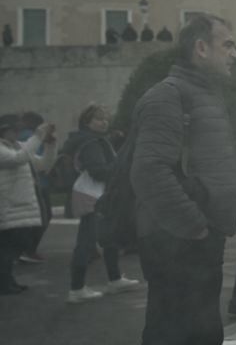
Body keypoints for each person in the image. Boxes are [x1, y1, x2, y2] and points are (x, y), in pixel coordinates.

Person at [128, 13, 236, 345]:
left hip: (200, 242)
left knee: (202, 340)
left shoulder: (204, 95)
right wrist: (196, 226)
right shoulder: (168, 96)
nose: (234, 54)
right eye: (227, 44)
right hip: (176, 244)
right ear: (201, 47)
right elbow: (150, 172)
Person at [63, 103, 141, 303]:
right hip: (93, 196)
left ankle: (114, 280)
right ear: (87, 122)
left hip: (95, 195)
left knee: (109, 238)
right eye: (98, 119)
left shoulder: (94, 140)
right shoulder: (92, 143)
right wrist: (121, 167)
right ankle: (77, 289)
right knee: (86, 243)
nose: (103, 122)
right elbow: (99, 171)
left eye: (105, 118)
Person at [0, 113, 56, 294]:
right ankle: (4, 283)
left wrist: (49, 144)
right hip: (7, 205)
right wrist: (37, 137)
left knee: (13, 246)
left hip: (18, 206)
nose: (18, 132)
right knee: (8, 247)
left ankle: (8, 281)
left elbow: (43, 165)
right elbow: (18, 159)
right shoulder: (4, 149)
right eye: (13, 129)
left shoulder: (18, 147)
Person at [17, 111, 51, 263]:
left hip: (33, 182)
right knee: (42, 217)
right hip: (37, 182)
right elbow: (39, 162)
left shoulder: (20, 136)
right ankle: (27, 250)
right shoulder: (29, 137)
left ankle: (23, 250)